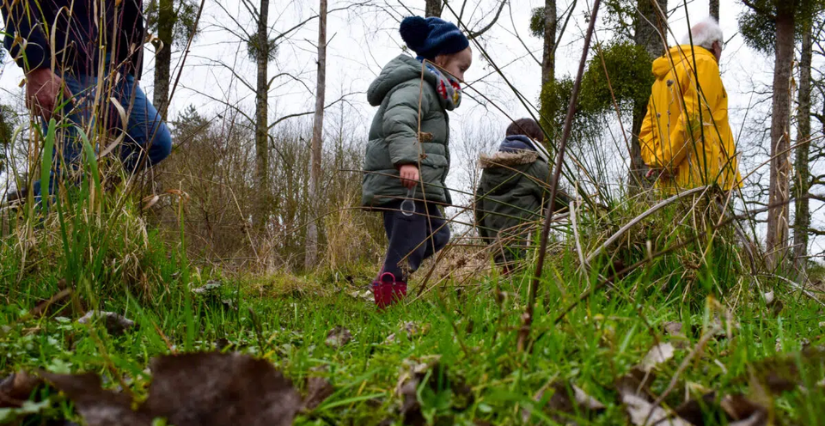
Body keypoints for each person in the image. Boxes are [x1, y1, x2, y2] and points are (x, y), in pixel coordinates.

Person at [1, 0, 172, 199]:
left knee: (154, 142)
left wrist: (131, 64)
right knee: (74, 170)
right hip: (66, 64)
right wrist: (34, 64)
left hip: (117, 68)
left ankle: (44, 192)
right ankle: (48, 207)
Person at [362, 16, 472, 309]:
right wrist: (407, 160)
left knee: (438, 235)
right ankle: (388, 299)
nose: (463, 78)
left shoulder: (430, 89)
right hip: (404, 184)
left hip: (419, 185)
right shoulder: (416, 85)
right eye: (461, 69)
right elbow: (398, 119)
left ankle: (386, 278)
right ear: (440, 58)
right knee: (408, 245)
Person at [638, 17, 741, 191]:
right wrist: (666, 163)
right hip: (703, 180)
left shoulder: (661, 78)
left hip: (669, 185)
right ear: (715, 45)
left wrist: (657, 163)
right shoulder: (705, 64)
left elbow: (646, 131)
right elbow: (694, 118)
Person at [474, 118, 555, 275]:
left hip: (497, 246)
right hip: (527, 246)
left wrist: (490, 242)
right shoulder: (536, 167)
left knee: (511, 284)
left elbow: (479, 209)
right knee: (527, 285)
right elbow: (559, 201)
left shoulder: (489, 170)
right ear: (536, 140)